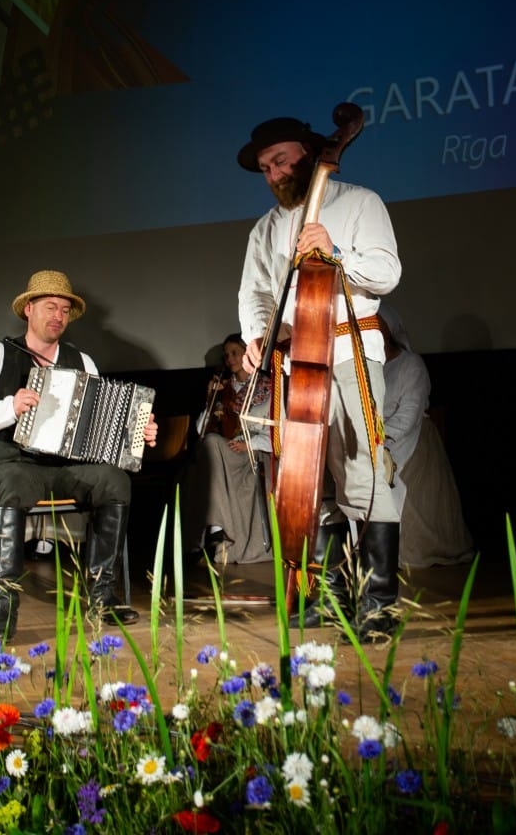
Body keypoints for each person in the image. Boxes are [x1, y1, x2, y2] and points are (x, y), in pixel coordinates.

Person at [236, 114, 403, 641]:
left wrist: (334, 251)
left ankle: (377, 601)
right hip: (295, 361)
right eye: (265, 167)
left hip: (349, 347)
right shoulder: (265, 228)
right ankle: (330, 594)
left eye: (281, 160)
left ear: (310, 153)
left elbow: (387, 272)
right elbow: (257, 293)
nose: (274, 174)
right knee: (312, 481)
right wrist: (257, 336)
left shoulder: (360, 202)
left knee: (363, 469)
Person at [0, 270, 158, 639]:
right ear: (28, 309)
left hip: (68, 468)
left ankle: (100, 595)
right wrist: (9, 407)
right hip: (17, 464)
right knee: (10, 481)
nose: (58, 316)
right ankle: (4, 603)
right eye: (50, 307)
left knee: (114, 480)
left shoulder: (83, 361)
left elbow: (103, 422)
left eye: (64, 309)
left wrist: (137, 434)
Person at [380, 306, 475, 568]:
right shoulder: (368, 368)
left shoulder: (411, 364)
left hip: (411, 439)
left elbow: (410, 410)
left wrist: (382, 438)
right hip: (378, 440)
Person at [181, 333, 273, 564]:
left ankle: (217, 532)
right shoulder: (224, 388)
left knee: (211, 447)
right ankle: (215, 531)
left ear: (248, 353)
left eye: (235, 352)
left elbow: (275, 431)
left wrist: (249, 444)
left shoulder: (268, 386)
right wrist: (211, 397)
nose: (230, 358)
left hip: (253, 451)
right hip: (224, 450)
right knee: (207, 447)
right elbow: (201, 430)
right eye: (226, 355)